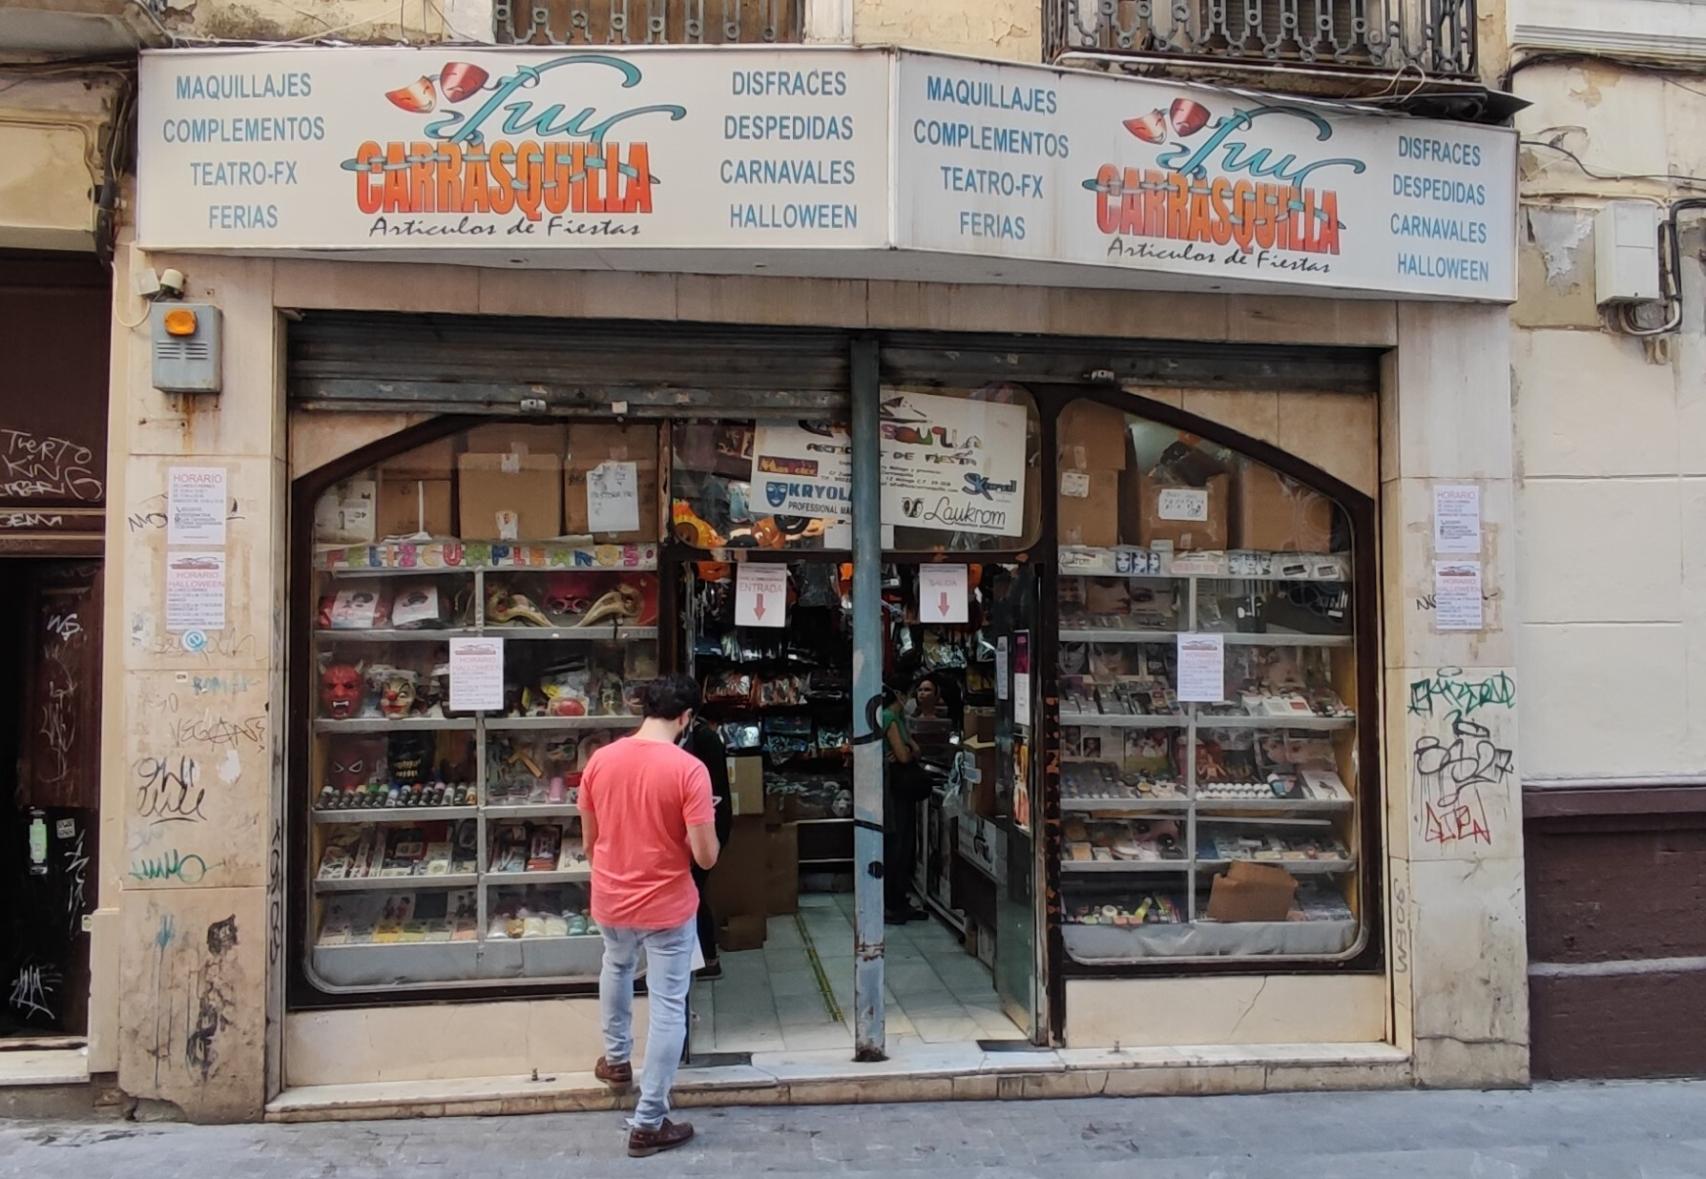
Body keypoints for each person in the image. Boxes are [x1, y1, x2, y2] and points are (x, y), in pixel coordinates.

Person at [580, 674, 720, 1159]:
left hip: (612, 898)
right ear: (685, 719)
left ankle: (616, 1060)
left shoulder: (600, 761)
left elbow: (589, 840)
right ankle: (649, 1119)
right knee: (667, 1005)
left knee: (616, 966)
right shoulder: (689, 770)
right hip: (666, 904)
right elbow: (705, 857)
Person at [678, 710, 732, 979]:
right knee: (694, 891)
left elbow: (711, 794)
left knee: (692, 892)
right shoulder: (700, 736)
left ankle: (708, 959)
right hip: (708, 825)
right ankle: (707, 959)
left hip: (707, 826)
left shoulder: (702, 739)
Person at [877, 679, 929, 925]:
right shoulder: (890, 718)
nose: (912, 699)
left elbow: (913, 751)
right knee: (898, 843)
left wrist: (908, 751)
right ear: (899, 695)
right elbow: (905, 755)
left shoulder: (898, 720)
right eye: (910, 694)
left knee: (901, 842)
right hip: (896, 790)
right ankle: (894, 902)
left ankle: (897, 900)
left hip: (898, 789)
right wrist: (907, 751)